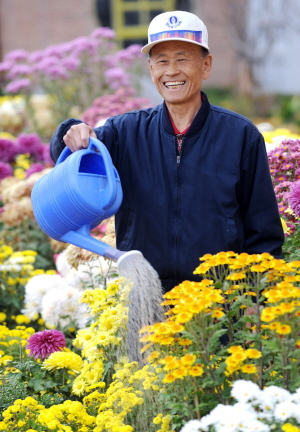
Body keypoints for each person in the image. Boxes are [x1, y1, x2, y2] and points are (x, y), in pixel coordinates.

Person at [50, 10, 284, 293]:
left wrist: (258, 300)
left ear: (206, 66)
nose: (171, 71)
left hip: (220, 301)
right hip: (146, 295)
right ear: (151, 69)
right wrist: (73, 130)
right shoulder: (125, 132)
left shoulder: (240, 136)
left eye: (182, 59)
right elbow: (69, 153)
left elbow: (264, 233)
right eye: (161, 61)